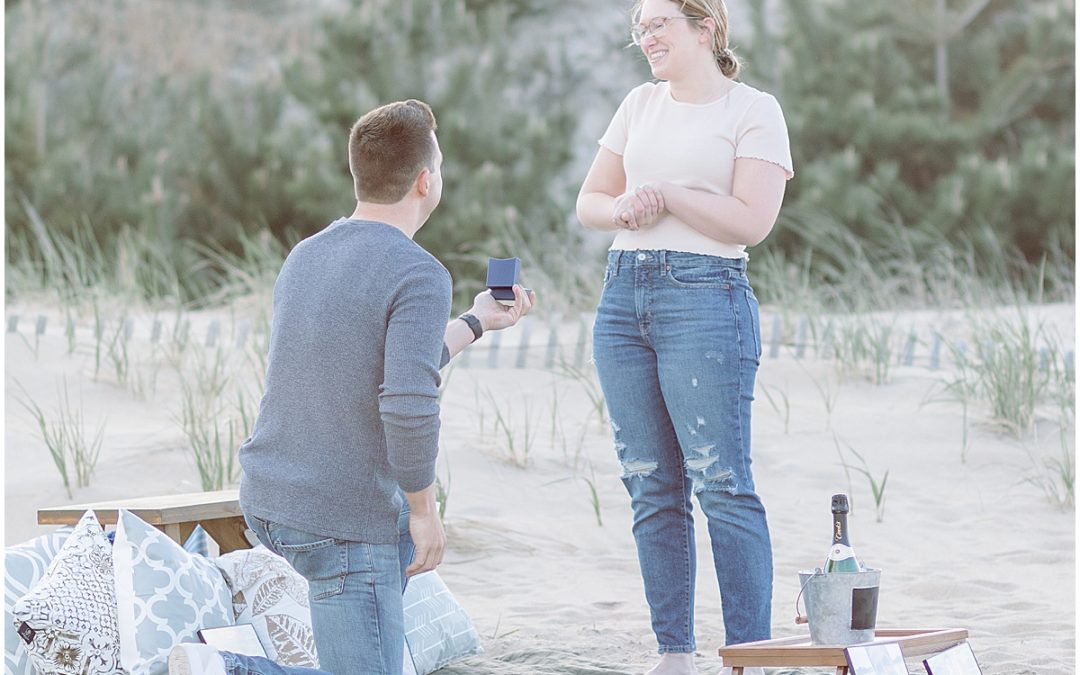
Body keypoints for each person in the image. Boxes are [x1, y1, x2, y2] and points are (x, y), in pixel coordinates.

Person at [169, 99, 534, 675]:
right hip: (342, 519)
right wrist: (424, 510)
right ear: (425, 181)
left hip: (270, 497)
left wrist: (474, 322)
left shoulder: (306, 255)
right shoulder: (418, 271)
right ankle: (228, 669)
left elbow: (372, 367)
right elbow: (408, 402)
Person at [576, 1, 792, 673]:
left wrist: (666, 194)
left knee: (722, 480)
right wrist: (626, 206)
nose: (646, 35)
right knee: (650, 483)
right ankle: (674, 654)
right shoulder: (638, 104)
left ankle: (748, 657)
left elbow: (750, 220)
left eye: (659, 22)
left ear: (706, 26)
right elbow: (590, 202)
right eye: (640, 26)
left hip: (707, 296)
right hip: (622, 295)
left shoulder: (753, 110)